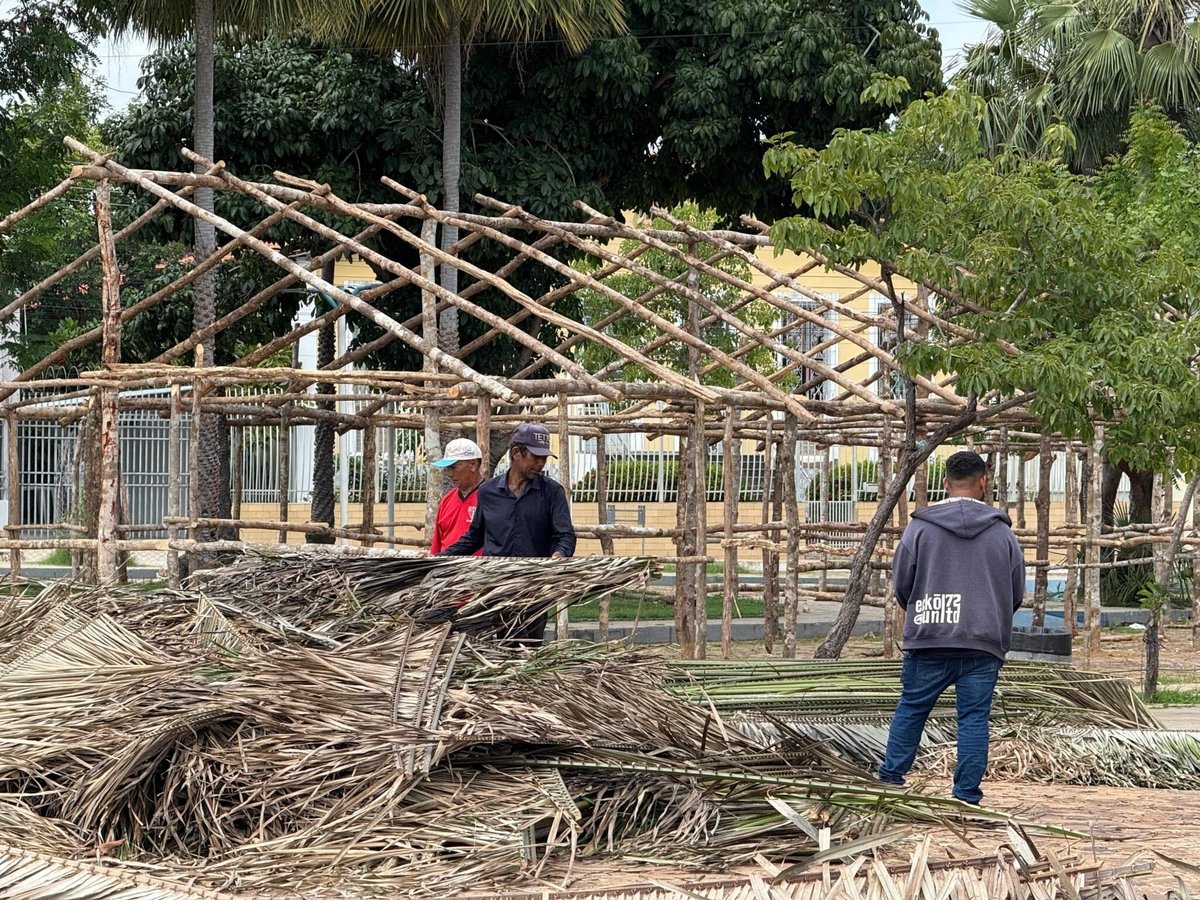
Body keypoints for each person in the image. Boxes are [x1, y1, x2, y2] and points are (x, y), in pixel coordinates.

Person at [877, 450, 1024, 805]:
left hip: (929, 637)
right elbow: (1016, 592)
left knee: (912, 708)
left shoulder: (920, 528)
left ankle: (891, 780)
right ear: (983, 482)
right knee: (973, 719)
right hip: (982, 642)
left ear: (945, 483)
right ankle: (966, 796)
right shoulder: (1002, 534)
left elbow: (902, 585)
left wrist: (925, 612)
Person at [439, 423, 576, 643]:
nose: (540, 463)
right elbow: (475, 537)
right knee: (501, 646)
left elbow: (565, 535)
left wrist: (560, 554)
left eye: (544, 458)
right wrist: (441, 559)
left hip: (535, 587)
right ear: (516, 453)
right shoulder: (488, 492)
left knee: (529, 648)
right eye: (535, 457)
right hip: (497, 586)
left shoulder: (552, 493)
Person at [429, 438, 485, 555]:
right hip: (446, 568)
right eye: (447, 468)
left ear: (473, 465)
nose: (449, 474)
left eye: (454, 467)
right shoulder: (447, 500)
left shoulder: (491, 498)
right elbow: (437, 543)